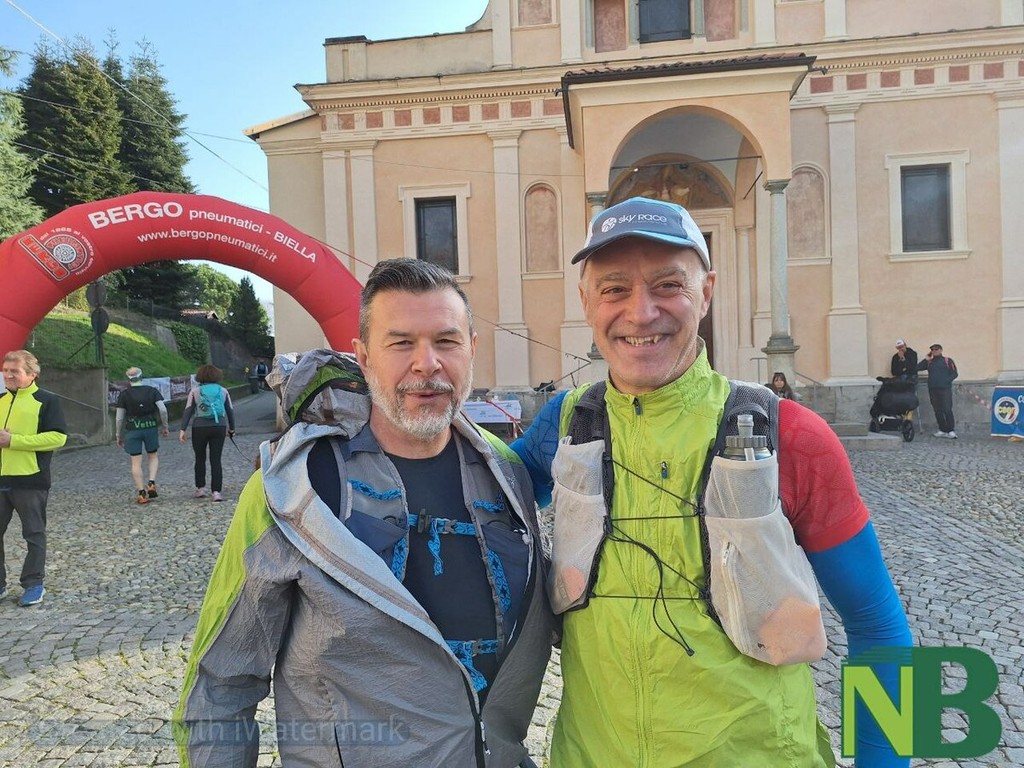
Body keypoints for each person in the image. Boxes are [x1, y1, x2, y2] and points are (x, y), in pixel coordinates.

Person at [511, 197, 912, 767]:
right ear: (586, 301)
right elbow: (466, 479)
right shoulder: (565, 424)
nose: (641, 312)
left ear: (706, 292)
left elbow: (879, 626)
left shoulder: (791, 434)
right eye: (614, 288)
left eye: (669, 285)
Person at [175, 258, 553, 767]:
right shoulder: (293, 488)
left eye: (446, 341)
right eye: (401, 343)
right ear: (364, 356)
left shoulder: (505, 471)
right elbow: (220, 684)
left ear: (471, 349)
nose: (426, 364)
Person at [0, 350, 67, 607]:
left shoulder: (47, 400)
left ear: (32, 374)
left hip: (30, 480)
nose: (8, 375)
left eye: (14, 371)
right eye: (6, 371)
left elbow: (58, 437)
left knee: (34, 534)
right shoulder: (0, 400)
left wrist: (14, 441)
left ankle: (33, 584)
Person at [179, 364, 235, 502]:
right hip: (219, 426)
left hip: (199, 427)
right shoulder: (223, 391)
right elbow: (230, 410)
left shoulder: (195, 391)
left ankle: (201, 488)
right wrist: (232, 428)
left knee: (200, 458)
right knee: (216, 459)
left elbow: (188, 410)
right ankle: (216, 492)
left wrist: (182, 429)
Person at [115, 367, 169, 505]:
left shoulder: (124, 394)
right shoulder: (152, 391)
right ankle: (151, 482)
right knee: (153, 455)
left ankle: (141, 493)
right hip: (150, 427)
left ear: (128, 379)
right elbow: (163, 409)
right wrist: (165, 426)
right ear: (141, 377)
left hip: (132, 429)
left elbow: (119, 418)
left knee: (135, 462)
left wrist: (118, 434)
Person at [917, 342, 958, 438]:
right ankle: (942, 429)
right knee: (937, 410)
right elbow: (917, 368)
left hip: (945, 389)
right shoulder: (929, 362)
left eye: (936, 349)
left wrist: (946, 381)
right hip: (933, 389)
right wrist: (926, 359)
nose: (934, 351)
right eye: (932, 350)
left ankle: (951, 430)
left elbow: (954, 373)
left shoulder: (948, 361)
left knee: (947, 409)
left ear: (941, 350)